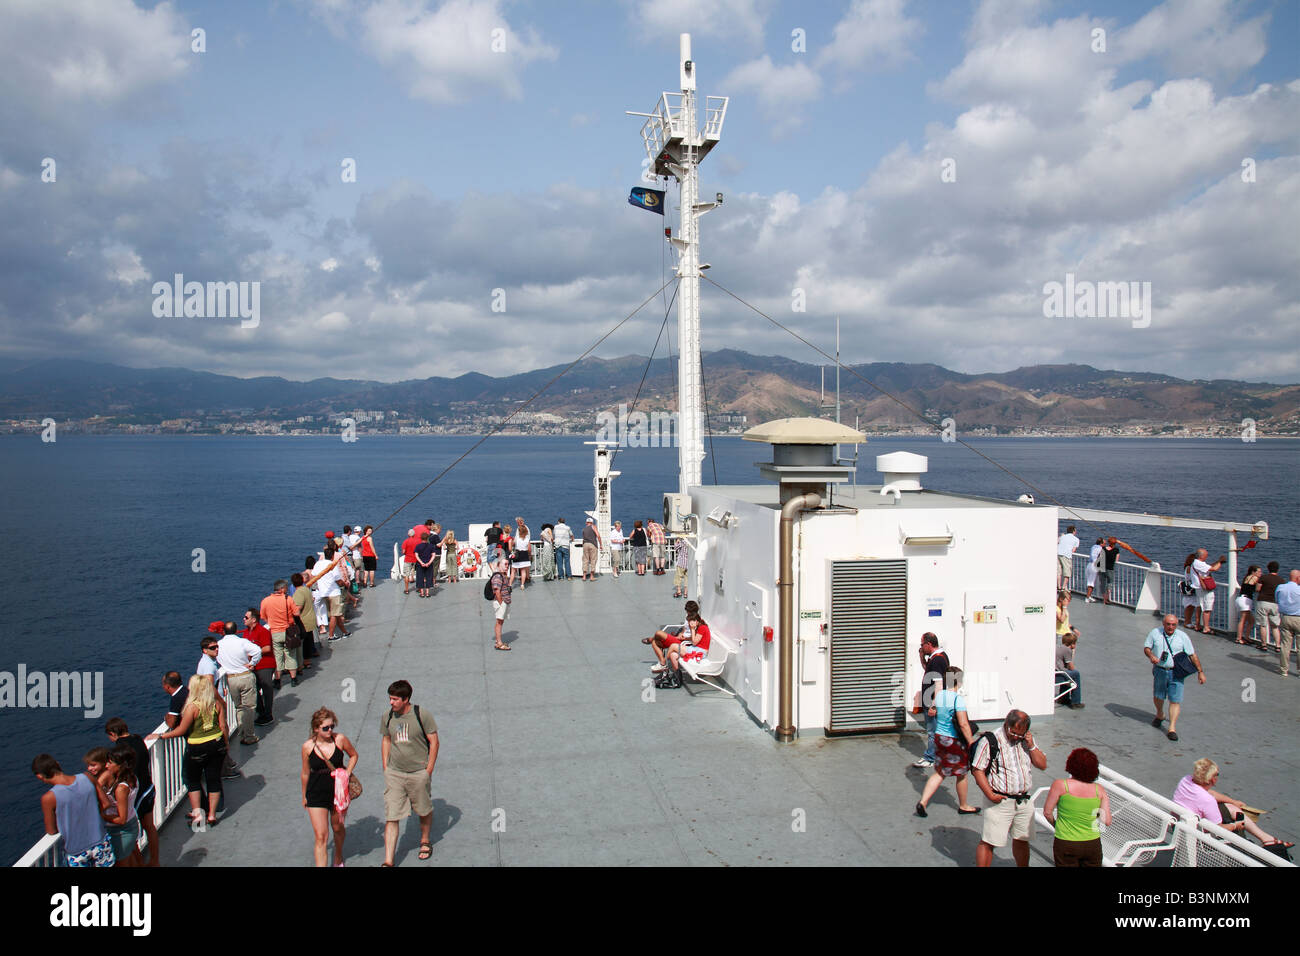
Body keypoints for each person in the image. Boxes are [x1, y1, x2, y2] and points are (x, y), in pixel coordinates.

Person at [147, 674, 229, 827]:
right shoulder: (216, 704)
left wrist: (160, 735)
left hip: (197, 748)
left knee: (193, 780)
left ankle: (198, 815)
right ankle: (212, 815)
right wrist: (226, 744)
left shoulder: (192, 707)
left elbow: (180, 730)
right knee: (213, 780)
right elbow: (223, 726)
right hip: (217, 745)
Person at [970, 709, 1047, 867]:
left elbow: (1042, 765)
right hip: (1000, 800)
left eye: (1020, 734)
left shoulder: (1025, 740)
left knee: (1022, 839)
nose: (1016, 737)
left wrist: (1031, 745)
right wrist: (990, 795)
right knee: (989, 842)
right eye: (1013, 732)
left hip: (1023, 800)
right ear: (1006, 725)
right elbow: (977, 770)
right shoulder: (990, 740)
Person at [1172, 758, 1294, 853]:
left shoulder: (1186, 780)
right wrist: (1235, 826)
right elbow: (1217, 828)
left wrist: (1233, 802)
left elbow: (1211, 794)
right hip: (1196, 835)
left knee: (1232, 808)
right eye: (1217, 774)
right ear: (1212, 779)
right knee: (1236, 825)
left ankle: (1267, 839)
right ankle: (1253, 850)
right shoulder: (1207, 800)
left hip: (1179, 823)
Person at [381, 680, 439, 866]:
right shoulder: (388, 716)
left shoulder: (421, 715)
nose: (391, 702)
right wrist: (386, 767)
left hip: (418, 773)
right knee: (392, 815)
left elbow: (434, 741)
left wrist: (428, 770)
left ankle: (424, 840)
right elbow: (386, 740)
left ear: (406, 699)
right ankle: (388, 860)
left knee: (423, 809)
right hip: (395, 773)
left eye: (395, 699)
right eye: (390, 698)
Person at [914, 668, 979, 817]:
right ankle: (963, 805)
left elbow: (934, 711)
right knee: (961, 773)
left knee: (939, 772)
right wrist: (971, 742)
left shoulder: (940, 695)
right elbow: (963, 724)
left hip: (939, 737)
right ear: (959, 681)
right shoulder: (958, 699)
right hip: (953, 740)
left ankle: (923, 802)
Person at [301, 707, 359, 867]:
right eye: (325, 728)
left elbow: (353, 755)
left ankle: (338, 857)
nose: (330, 730)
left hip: (338, 793)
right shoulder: (307, 747)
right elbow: (305, 773)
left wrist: (347, 772)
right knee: (321, 835)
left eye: (332, 726)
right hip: (316, 792)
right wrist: (304, 795)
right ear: (316, 729)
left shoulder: (339, 740)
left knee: (338, 828)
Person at [34, 754, 114, 867]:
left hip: (76, 850)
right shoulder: (87, 777)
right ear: (57, 764)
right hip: (100, 841)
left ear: (40, 776)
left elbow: (51, 830)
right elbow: (106, 803)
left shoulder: (49, 798)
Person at [1042, 747, 1111, 867]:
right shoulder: (1099, 790)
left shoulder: (1061, 785)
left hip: (1066, 842)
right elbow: (1106, 821)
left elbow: (1047, 813)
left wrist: (1057, 825)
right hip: (1092, 844)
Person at [105, 717, 158, 866]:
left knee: (130, 834)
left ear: (113, 733)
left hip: (137, 793)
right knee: (149, 827)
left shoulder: (119, 748)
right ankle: (155, 861)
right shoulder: (137, 738)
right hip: (148, 787)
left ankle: (139, 863)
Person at [1144, 614, 1206, 741]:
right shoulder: (1155, 633)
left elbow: (1192, 655)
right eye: (1168, 624)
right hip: (1160, 670)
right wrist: (1151, 656)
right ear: (1163, 624)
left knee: (1175, 700)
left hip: (1176, 672)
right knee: (1158, 696)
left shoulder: (1182, 637)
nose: (1170, 627)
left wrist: (1200, 671)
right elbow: (1147, 648)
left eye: (1173, 625)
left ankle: (1172, 728)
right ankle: (1160, 714)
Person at [217, 621, 263, 745]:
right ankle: (249, 736)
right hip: (245, 676)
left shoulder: (219, 645)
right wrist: (252, 663)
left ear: (224, 631)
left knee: (239, 707)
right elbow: (257, 651)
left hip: (231, 679)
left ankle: (242, 732)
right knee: (249, 707)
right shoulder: (242, 642)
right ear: (236, 630)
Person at [100, 745, 143, 867]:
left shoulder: (121, 788)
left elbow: (121, 819)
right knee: (131, 856)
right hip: (131, 823)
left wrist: (102, 815)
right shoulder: (132, 777)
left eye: (110, 763)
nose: (106, 766)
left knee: (121, 863)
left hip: (122, 831)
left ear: (121, 765)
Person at [912, 632, 948, 769]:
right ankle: (937, 755)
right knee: (937, 730)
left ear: (929, 644)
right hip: (933, 700)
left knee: (932, 731)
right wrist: (922, 657)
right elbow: (929, 671)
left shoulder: (938, 659)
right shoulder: (938, 657)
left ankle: (930, 758)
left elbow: (938, 684)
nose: (921, 647)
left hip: (933, 701)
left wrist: (934, 706)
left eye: (922, 645)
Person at [653, 604, 711, 690]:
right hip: (695, 649)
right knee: (673, 655)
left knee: (673, 646)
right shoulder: (698, 627)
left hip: (700, 652)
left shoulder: (703, 628)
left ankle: (665, 669)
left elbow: (694, 642)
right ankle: (678, 679)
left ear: (696, 621)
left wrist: (692, 629)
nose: (690, 624)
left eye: (691, 622)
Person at [260, 580, 301, 688]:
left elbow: (263, 616)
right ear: (282, 589)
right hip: (288, 631)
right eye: (286, 587)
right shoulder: (288, 599)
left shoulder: (265, 601)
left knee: (278, 656)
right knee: (290, 654)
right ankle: (293, 679)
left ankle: (277, 680)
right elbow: (297, 613)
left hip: (275, 632)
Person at [240, 607, 277, 724]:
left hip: (265, 664)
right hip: (253, 666)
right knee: (253, 690)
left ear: (254, 620)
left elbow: (267, 648)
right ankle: (261, 712)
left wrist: (254, 653)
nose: (243, 619)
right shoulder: (246, 633)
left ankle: (268, 714)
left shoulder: (263, 632)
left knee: (267, 688)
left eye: (246, 617)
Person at [1188, 547, 1225, 633]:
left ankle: (1197, 625)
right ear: (1201, 556)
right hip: (1204, 588)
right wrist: (1221, 561)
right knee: (1207, 608)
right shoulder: (1198, 563)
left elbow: (1209, 566)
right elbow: (1214, 569)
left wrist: (1217, 562)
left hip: (1198, 587)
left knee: (1199, 606)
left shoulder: (1197, 563)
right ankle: (1206, 627)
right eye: (1206, 555)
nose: (1207, 557)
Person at [1254, 561, 1284, 651]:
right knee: (1275, 626)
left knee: (1263, 625)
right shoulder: (1281, 580)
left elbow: (1257, 589)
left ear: (1268, 568)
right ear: (1277, 569)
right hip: (1274, 603)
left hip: (1263, 602)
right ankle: (1278, 646)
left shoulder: (1264, 578)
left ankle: (1264, 645)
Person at [1276, 569, 1300, 678]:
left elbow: (1277, 600)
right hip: (1298, 619)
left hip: (1285, 618)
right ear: (1297, 578)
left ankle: (1284, 670)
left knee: (1285, 645)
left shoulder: (1280, 588)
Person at [291, 572, 319, 661]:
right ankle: (311, 655)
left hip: (304, 621)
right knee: (309, 639)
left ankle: (306, 660)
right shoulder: (306, 589)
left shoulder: (298, 592)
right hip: (310, 618)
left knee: (304, 641)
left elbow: (297, 609)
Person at [489, 556, 512, 651]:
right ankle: (499, 643)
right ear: (499, 565)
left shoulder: (503, 575)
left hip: (504, 601)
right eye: (505, 564)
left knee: (500, 621)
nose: (507, 566)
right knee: (499, 622)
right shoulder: (498, 576)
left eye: (508, 564)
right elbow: (496, 590)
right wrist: (501, 602)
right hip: (501, 602)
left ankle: (498, 641)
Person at [1056, 630, 1083, 708]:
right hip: (1058, 676)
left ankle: (1063, 698)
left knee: (1067, 673)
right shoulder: (1067, 650)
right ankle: (1076, 702)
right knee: (1075, 674)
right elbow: (1071, 666)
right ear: (1073, 644)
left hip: (1056, 673)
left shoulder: (1058, 647)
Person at [1236, 565, 1261, 646]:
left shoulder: (1247, 577)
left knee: (1251, 620)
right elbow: (1258, 589)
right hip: (1245, 600)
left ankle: (1246, 637)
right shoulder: (1254, 578)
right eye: (1259, 572)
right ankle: (1239, 638)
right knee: (1242, 620)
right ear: (1253, 572)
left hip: (1241, 599)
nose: (1260, 573)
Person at [1096, 537, 1119, 605]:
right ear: (1115, 543)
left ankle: (1104, 599)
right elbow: (1116, 560)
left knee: (1103, 584)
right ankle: (1107, 598)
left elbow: (1099, 558)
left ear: (1109, 542)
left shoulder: (1103, 549)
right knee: (1109, 583)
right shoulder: (1116, 550)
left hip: (1102, 568)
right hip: (1110, 569)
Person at [414, 531, 436, 598]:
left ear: (421, 538)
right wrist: (429, 562)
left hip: (420, 565)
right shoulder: (431, 546)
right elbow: (433, 555)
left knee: (420, 577)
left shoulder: (418, 546)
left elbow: (416, 555)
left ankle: (422, 593)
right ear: (427, 538)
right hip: (428, 564)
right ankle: (427, 593)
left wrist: (421, 563)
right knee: (429, 577)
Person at [1057, 525, 1079, 590]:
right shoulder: (1076, 539)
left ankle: (1058, 586)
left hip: (1058, 554)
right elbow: (1073, 550)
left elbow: (1057, 542)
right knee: (1067, 572)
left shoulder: (1062, 537)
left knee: (1059, 572)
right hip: (1066, 556)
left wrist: (1061, 536)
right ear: (1073, 531)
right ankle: (1063, 587)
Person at [512, 517, 532, 589]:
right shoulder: (523, 528)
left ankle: (526, 577)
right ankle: (526, 578)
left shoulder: (522, 528)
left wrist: (513, 543)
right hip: (524, 548)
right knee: (525, 565)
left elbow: (517, 538)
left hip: (521, 548)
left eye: (518, 521)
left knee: (521, 567)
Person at [581, 517, 601, 581]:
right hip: (592, 545)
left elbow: (583, 538)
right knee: (593, 560)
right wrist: (601, 544)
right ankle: (591, 577)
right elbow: (598, 535)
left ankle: (584, 576)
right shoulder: (593, 526)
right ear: (592, 522)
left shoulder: (584, 529)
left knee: (585, 560)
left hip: (585, 544)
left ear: (586, 522)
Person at [401, 528, 420, 594]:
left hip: (408, 560)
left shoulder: (406, 541)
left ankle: (406, 589)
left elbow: (403, 552)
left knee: (406, 575)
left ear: (408, 534)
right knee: (418, 574)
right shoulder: (418, 541)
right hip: (416, 559)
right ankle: (419, 588)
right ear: (414, 534)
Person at [671, 535, 689, 599]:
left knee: (678, 577)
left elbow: (675, 547)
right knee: (687, 578)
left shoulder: (683, 542)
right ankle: (685, 593)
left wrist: (677, 541)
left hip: (681, 563)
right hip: (688, 564)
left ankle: (679, 592)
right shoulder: (689, 542)